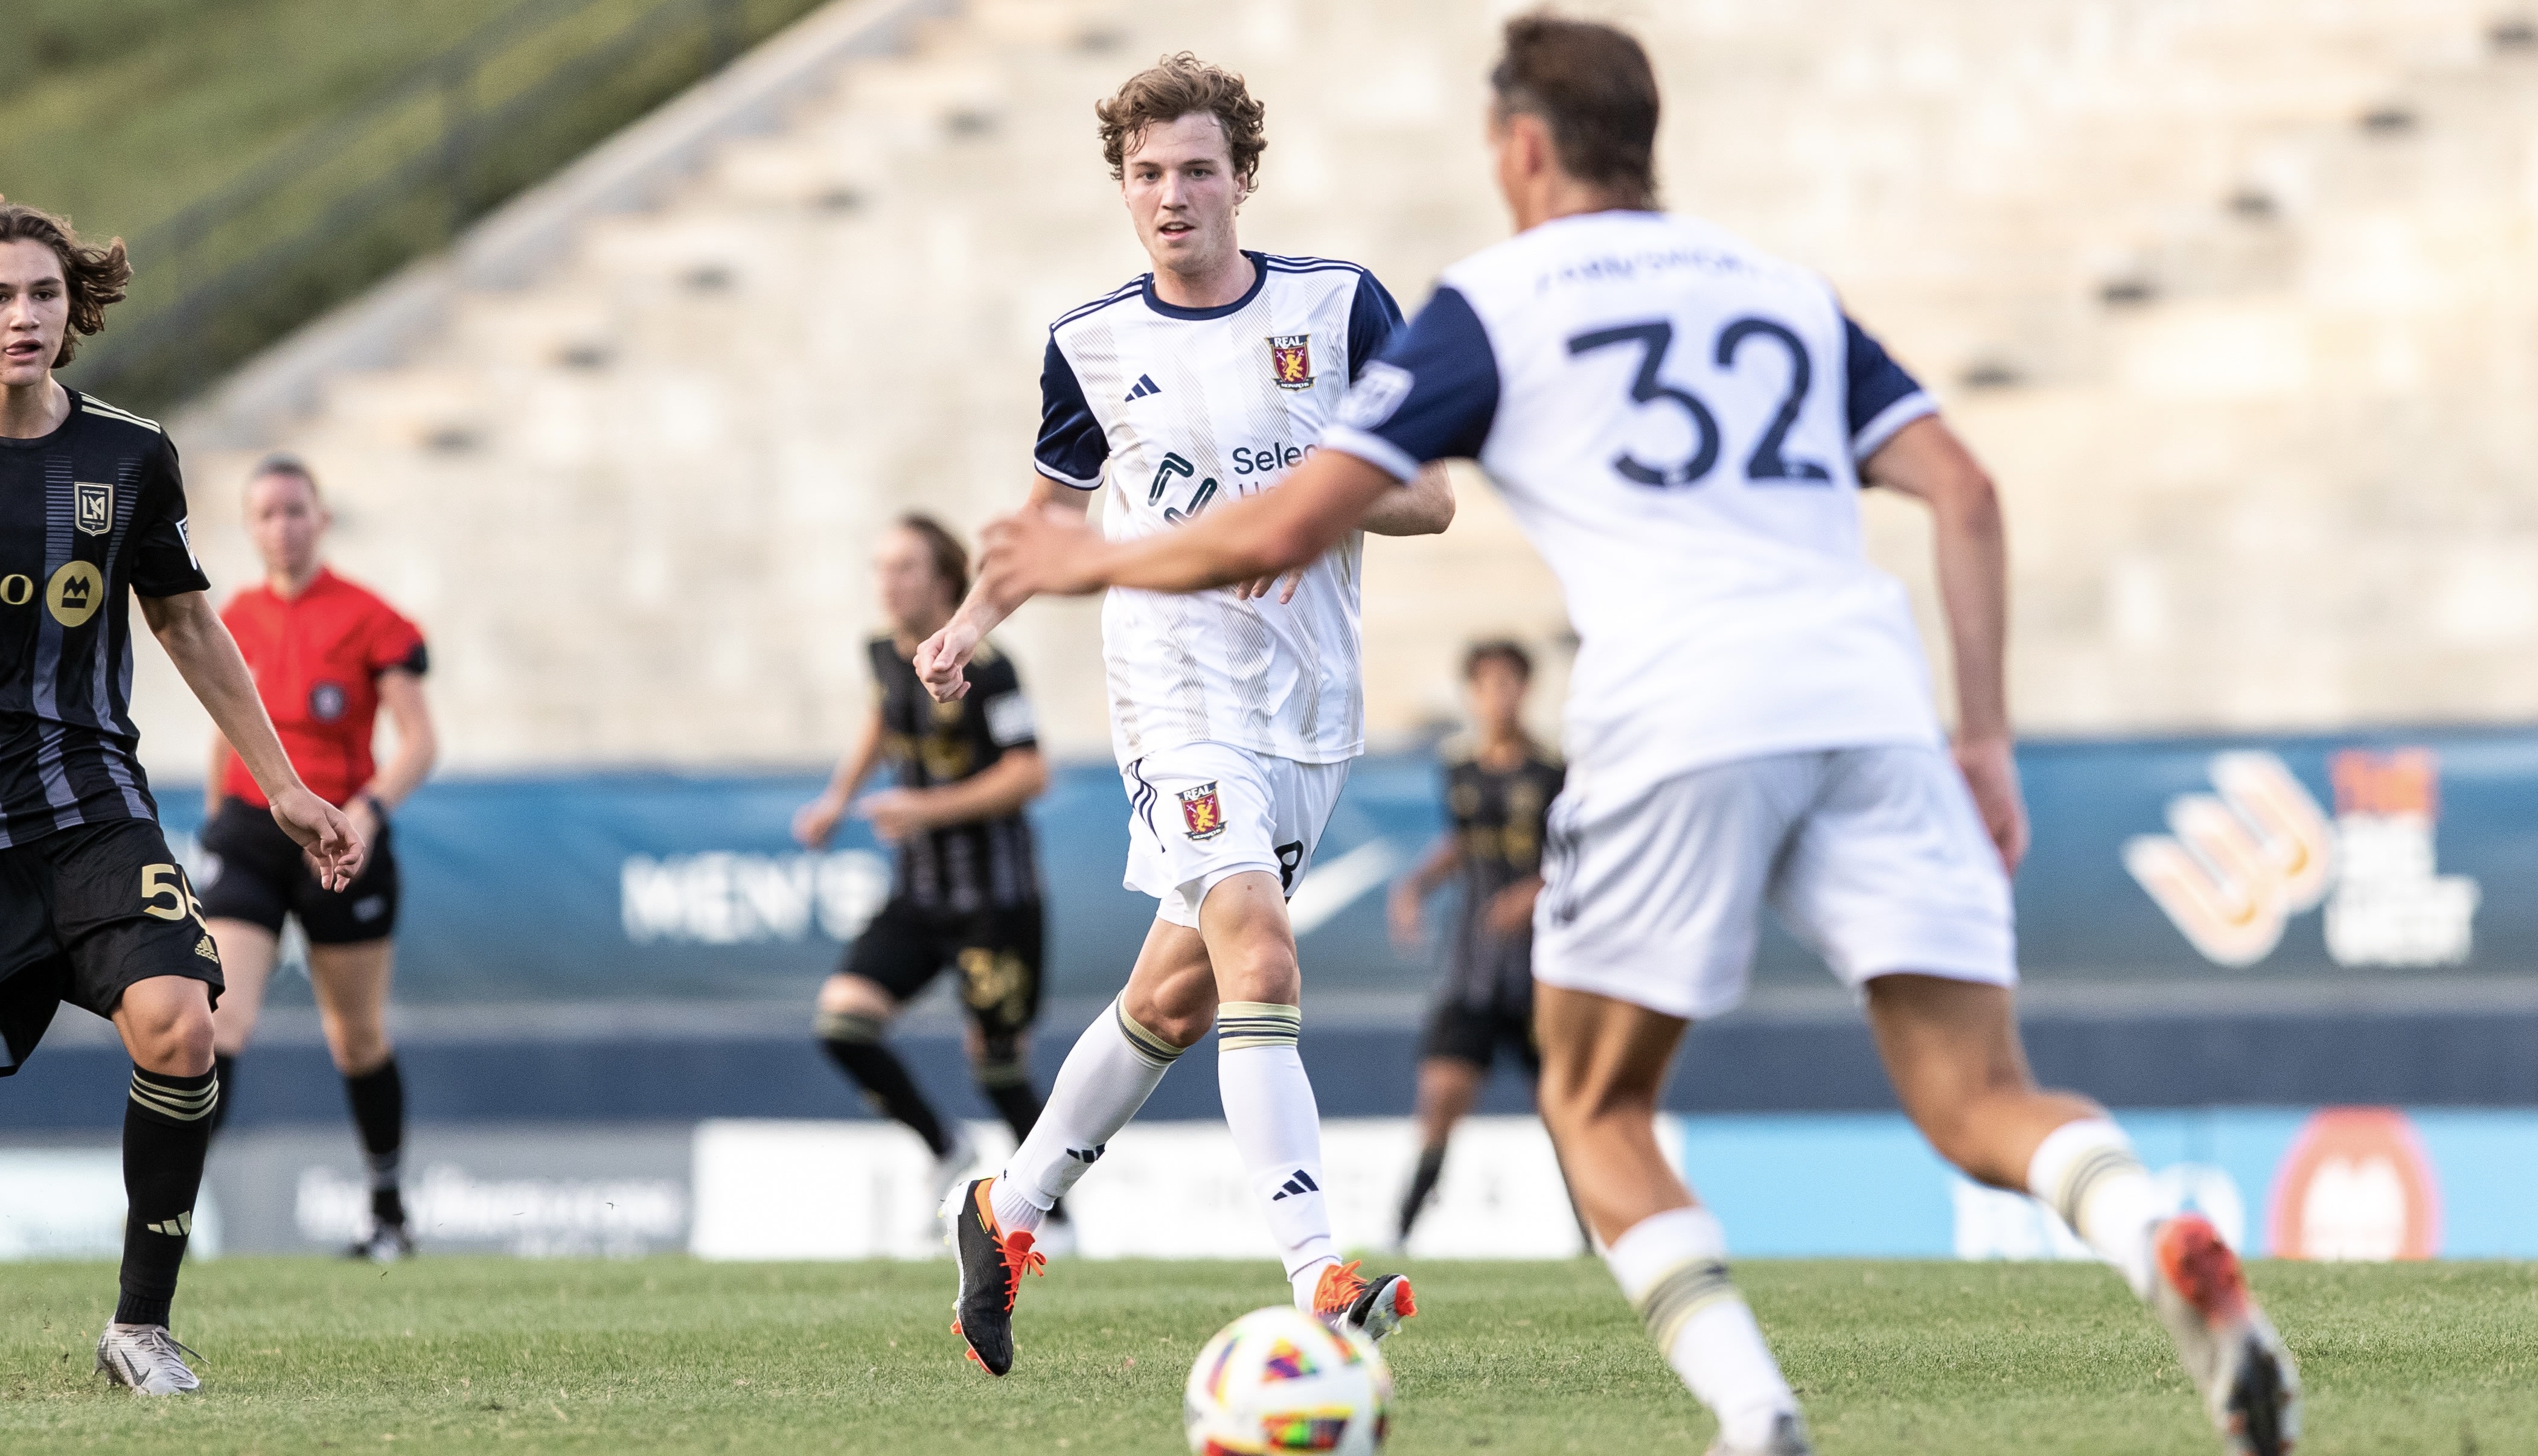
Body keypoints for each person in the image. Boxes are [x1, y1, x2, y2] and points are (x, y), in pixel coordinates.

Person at [973, 16, 2301, 1456]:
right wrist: (1982, 740)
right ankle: (2147, 1215)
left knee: (1594, 1103)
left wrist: (1074, 564)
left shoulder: (1494, 299)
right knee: (1978, 1091)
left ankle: (1755, 1411)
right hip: (1868, 694)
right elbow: (1964, 493)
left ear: (1523, 149)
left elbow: (1308, 515)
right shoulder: (1778, 285)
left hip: (1676, 708)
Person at [912, 54, 1456, 1376]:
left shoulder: (1337, 310)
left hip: (1308, 710)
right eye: (1146, 174)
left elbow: (1429, 496)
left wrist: (1306, 512)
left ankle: (1007, 1208)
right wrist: (969, 626)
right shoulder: (1089, 345)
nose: (1171, 196)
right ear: (1120, 186)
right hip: (1175, 698)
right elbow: (1044, 529)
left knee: (1175, 995)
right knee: (1257, 959)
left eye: (1196, 171)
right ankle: (1317, 1273)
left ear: (1242, 179)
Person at [0, 200, 361, 1394]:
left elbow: (187, 621)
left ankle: (139, 1327)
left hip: (94, 807)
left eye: (42, 295)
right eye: (2, 298)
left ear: (74, 307)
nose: (22, 319)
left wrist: (285, 784)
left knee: (181, 1023)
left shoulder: (127, 455)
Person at [199, 453, 436, 1262]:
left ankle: (389, 1213)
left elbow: (420, 741)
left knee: (356, 1037)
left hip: (342, 833)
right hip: (251, 830)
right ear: (250, 527)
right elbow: (224, 725)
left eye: (296, 510)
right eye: (266, 513)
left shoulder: (370, 617)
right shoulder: (234, 615)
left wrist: (366, 811)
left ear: (321, 518)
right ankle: (173, 1215)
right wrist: (216, 814)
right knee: (216, 1019)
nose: (283, 526)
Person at [793, 515, 1053, 1225]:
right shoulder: (881, 653)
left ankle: (1054, 1216)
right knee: (842, 1027)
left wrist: (926, 808)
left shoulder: (992, 668)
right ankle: (945, 1147)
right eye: (881, 568)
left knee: (999, 1073)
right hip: (919, 892)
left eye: (904, 568)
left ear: (944, 579)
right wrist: (836, 800)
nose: (888, 583)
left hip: (995, 899)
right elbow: (884, 716)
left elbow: (1032, 774)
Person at [1384, 640, 1569, 1246]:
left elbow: (1582, 857)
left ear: (1526, 689)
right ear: (1473, 693)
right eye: (1487, 683)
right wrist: (1415, 887)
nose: (1499, 695)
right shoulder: (1459, 768)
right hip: (1472, 965)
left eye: (1509, 682)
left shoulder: (1555, 772)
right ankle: (1400, 1235)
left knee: (1566, 1108)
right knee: (1440, 1093)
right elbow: (1465, 842)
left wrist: (1532, 892)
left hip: (1543, 970)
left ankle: (1596, 1242)